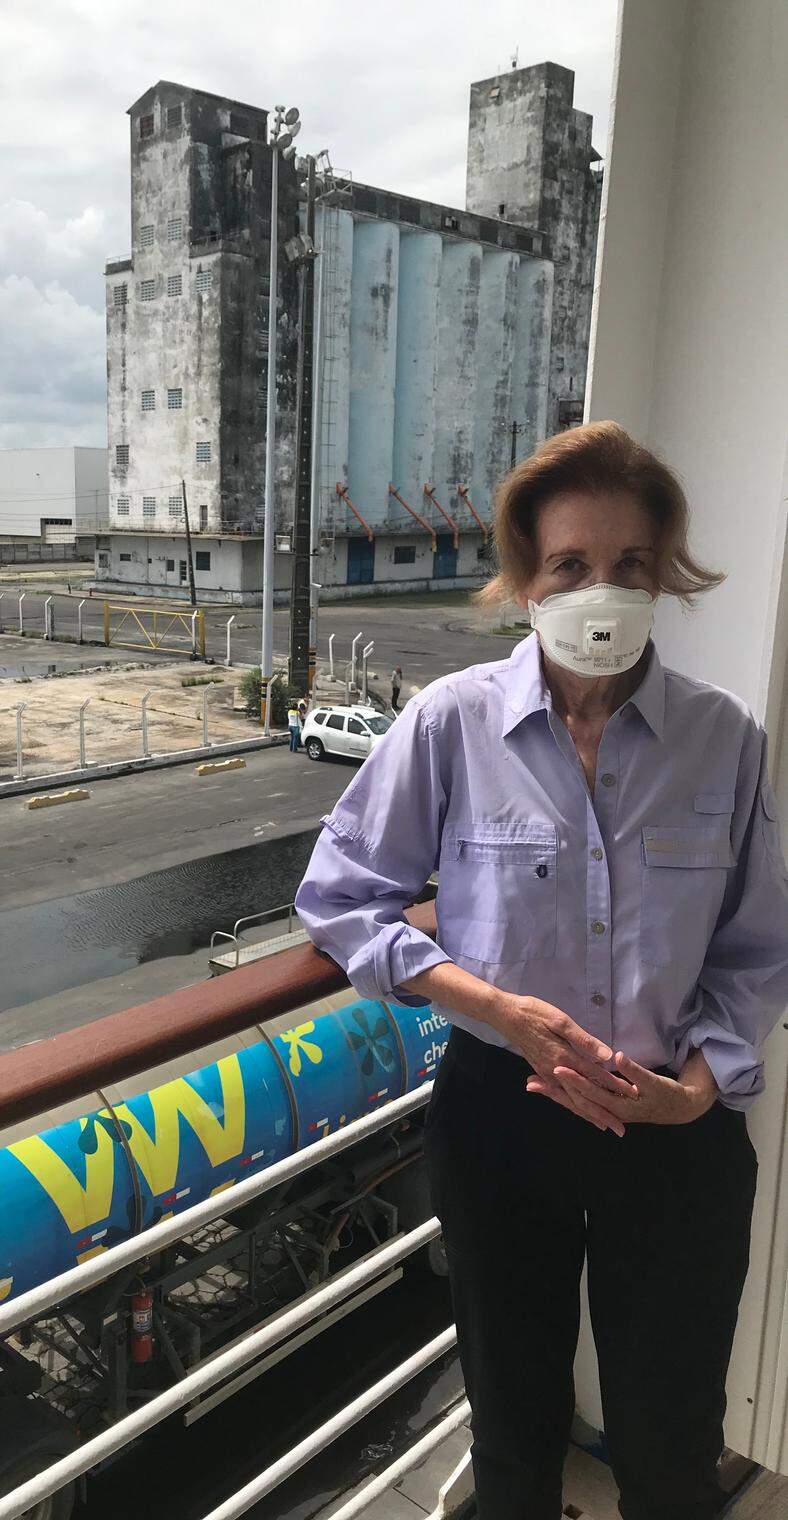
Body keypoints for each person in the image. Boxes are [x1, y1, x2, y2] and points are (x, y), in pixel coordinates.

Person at [295, 421, 788, 1520]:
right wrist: (486, 1003)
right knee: (513, 1435)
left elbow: (760, 946)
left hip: (676, 1132)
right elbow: (340, 895)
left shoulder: (726, 737)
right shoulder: (451, 723)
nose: (598, 590)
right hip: (500, 1123)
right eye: (571, 564)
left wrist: (698, 1086)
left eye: (629, 566)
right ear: (527, 579)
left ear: (664, 579)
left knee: (671, 1447)